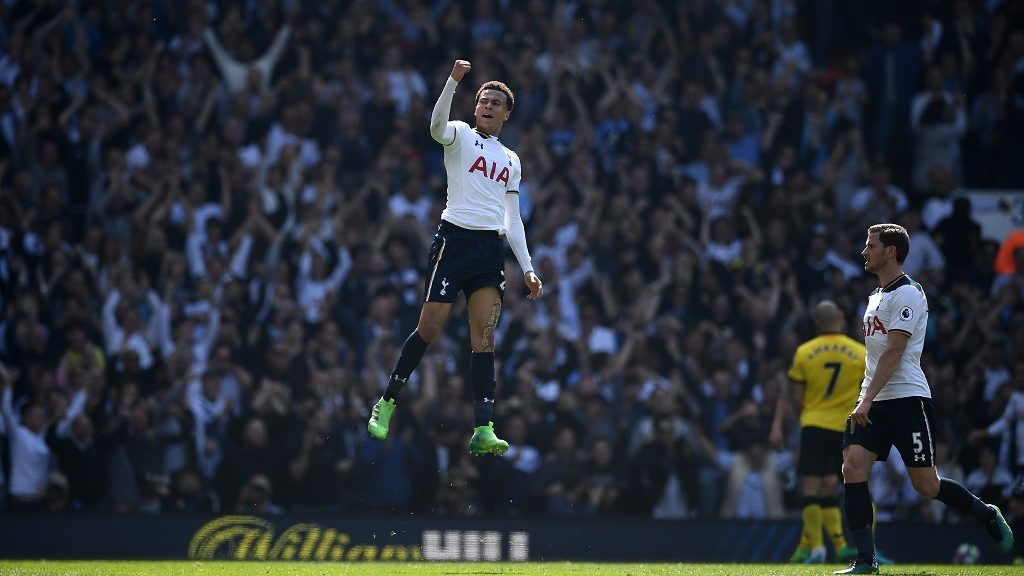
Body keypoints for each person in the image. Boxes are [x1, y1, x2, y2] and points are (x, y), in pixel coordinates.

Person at [366, 59, 543, 456]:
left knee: (485, 338)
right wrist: (452, 82)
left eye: (496, 102)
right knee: (430, 327)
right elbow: (434, 127)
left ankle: (483, 428)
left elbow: (512, 219)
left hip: (488, 249)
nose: (487, 106)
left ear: (507, 114)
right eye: (483, 100)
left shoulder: (512, 160)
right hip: (454, 239)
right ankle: (387, 401)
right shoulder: (460, 134)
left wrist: (528, 269)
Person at [836, 223, 1014, 575]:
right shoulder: (875, 297)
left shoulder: (910, 294)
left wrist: (866, 399)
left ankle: (986, 513)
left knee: (926, 485)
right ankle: (866, 560)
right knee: (852, 467)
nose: (864, 252)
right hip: (872, 397)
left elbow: (895, 352)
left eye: (870, 246)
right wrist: (867, 396)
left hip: (906, 400)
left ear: (890, 251)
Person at [770, 300, 863, 564]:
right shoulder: (859, 353)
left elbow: (797, 398)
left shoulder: (804, 352)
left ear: (817, 323)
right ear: (840, 318)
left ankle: (818, 548)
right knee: (832, 485)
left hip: (814, 423)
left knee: (810, 487)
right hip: (845, 427)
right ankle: (843, 544)